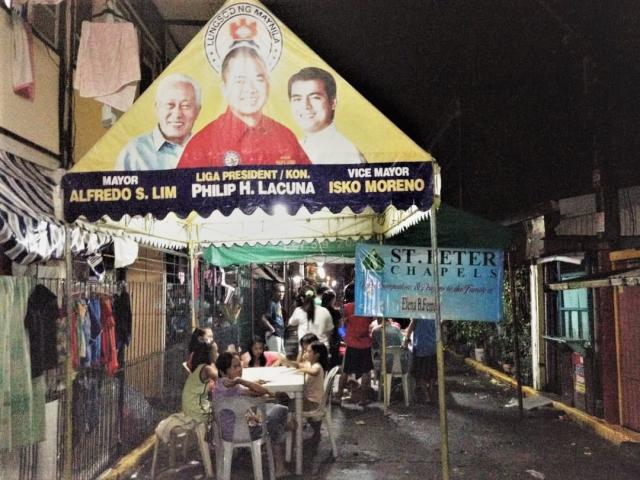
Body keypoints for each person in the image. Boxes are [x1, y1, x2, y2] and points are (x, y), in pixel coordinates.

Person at [178, 46, 310, 167]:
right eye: (240, 81)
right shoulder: (202, 145)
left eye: (258, 79)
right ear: (224, 89)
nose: (250, 89)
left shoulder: (286, 138)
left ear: (268, 85)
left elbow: (313, 186)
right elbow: (181, 191)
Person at [214, 351, 290, 477]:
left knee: (272, 417)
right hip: (247, 431)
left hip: (226, 433)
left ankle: (283, 430)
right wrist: (242, 381)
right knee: (280, 409)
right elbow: (262, 391)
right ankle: (279, 465)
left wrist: (244, 383)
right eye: (235, 367)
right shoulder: (235, 387)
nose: (239, 369)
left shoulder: (219, 385)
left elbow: (255, 392)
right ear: (223, 372)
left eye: (240, 365)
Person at [116, 73, 201, 170]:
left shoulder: (209, 149)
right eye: (170, 105)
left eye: (185, 106)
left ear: (197, 111)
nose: (177, 114)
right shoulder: (133, 153)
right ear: (157, 108)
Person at [288, 67, 365, 164]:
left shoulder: (346, 154)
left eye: (315, 97)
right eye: (297, 99)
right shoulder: (297, 147)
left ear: (333, 102)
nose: (305, 106)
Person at [336, 283, 374, 405]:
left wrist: (344, 336)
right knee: (366, 372)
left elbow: (341, 326)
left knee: (345, 371)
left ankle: (338, 397)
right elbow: (371, 323)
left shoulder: (346, 308)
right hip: (365, 344)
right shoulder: (368, 308)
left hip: (351, 343)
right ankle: (363, 399)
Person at [181, 340, 218, 424]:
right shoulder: (207, 369)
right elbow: (223, 379)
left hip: (189, 410)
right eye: (216, 351)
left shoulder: (197, 367)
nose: (217, 354)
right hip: (197, 413)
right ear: (209, 354)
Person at [403, 318, 437, 404]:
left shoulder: (417, 315)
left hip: (420, 348)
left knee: (420, 374)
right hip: (433, 348)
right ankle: (432, 392)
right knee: (432, 373)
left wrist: (406, 340)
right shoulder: (434, 314)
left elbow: (411, 327)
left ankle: (427, 397)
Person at [260, 282, 287, 355]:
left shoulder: (278, 303)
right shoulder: (272, 304)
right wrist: (272, 329)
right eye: (279, 291)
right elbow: (263, 318)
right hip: (274, 335)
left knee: (281, 357)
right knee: (276, 358)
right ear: (274, 292)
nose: (282, 294)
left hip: (279, 334)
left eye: (283, 292)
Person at [321, 289, 343, 369]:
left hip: (321, 337)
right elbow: (341, 326)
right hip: (333, 339)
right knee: (333, 361)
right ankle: (330, 379)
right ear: (332, 300)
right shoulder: (336, 312)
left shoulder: (319, 310)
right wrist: (344, 336)